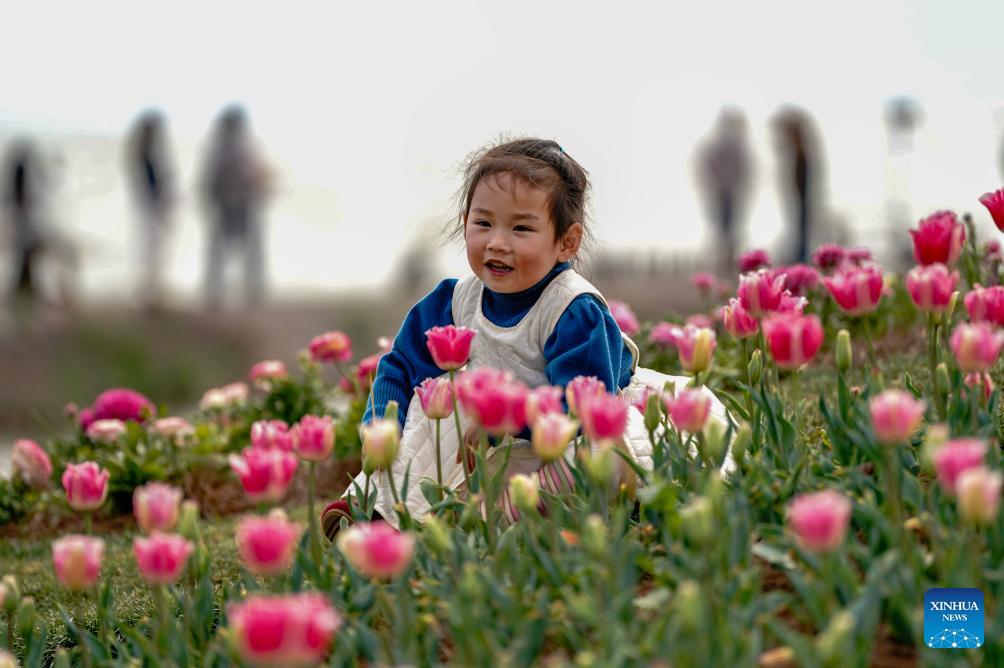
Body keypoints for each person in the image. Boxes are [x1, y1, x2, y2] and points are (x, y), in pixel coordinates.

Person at [322, 138, 730, 536]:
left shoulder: (571, 310)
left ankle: (512, 517)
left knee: (593, 457)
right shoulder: (455, 299)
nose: (497, 242)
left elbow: (583, 404)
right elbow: (403, 365)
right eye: (483, 223)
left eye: (521, 228)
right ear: (465, 223)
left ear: (566, 242)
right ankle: (375, 510)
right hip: (492, 433)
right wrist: (380, 425)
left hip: (568, 425)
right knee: (424, 413)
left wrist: (509, 418)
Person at [199, 105, 271, 308]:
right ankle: (231, 292)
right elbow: (252, 177)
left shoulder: (221, 147)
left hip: (233, 204)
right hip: (235, 204)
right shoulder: (236, 147)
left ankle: (226, 292)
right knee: (238, 252)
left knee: (228, 253)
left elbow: (210, 181)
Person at [126, 111, 175, 308]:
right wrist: (161, 206)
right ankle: (149, 295)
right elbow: (152, 187)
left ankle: (151, 293)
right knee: (151, 252)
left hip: (149, 210)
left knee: (150, 252)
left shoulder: (143, 152)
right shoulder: (147, 154)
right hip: (151, 210)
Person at [697, 107, 752, 276]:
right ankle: (726, 261)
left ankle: (727, 261)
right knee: (725, 230)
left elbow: (707, 167)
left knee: (726, 230)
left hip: (727, 193)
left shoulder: (722, 144)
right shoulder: (729, 144)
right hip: (724, 194)